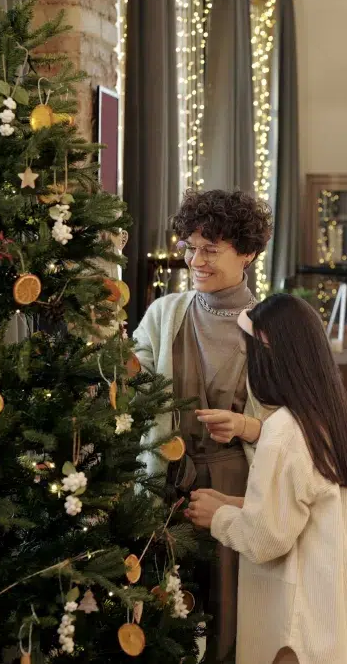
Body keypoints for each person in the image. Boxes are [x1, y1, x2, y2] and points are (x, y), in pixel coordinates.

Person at [186, 294, 347, 664]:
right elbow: (303, 510)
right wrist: (236, 503)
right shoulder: (329, 420)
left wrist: (218, 517)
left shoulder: (285, 433)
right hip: (332, 607)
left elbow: (266, 538)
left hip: (294, 621)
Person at [133, 188, 273, 663]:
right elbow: (131, 385)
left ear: (248, 252)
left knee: (229, 612)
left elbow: (296, 426)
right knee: (161, 608)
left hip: (237, 484)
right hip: (163, 482)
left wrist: (245, 424)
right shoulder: (164, 314)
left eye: (211, 249)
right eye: (190, 247)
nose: (196, 260)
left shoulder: (271, 328)